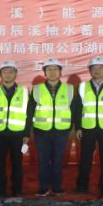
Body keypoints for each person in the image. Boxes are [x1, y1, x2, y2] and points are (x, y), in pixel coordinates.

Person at [72, 56, 103, 197]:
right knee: (85, 159)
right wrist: (78, 127)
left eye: (100, 68)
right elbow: (77, 108)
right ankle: (82, 186)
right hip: (88, 128)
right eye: (94, 68)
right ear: (90, 70)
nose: (97, 70)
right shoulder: (82, 87)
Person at [0, 60, 30, 198]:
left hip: (18, 134)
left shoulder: (24, 91)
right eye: (5, 72)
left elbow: (29, 113)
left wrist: (27, 133)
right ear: (0, 74)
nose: (8, 74)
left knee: (17, 164)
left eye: (11, 72)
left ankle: (17, 190)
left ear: (16, 74)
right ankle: (0, 190)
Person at [30, 58, 74, 196]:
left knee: (58, 160)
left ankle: (57, 187)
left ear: (60, 72)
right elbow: (30, 110)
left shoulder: (69, 89)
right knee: (43, 160)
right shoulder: (36, 89)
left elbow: (75, 109)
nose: (52, 72)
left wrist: (72, 127)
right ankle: (43, 187)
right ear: (45, 72)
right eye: (49, 69)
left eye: (55, 69)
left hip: (61, 130)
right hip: (41, 130)